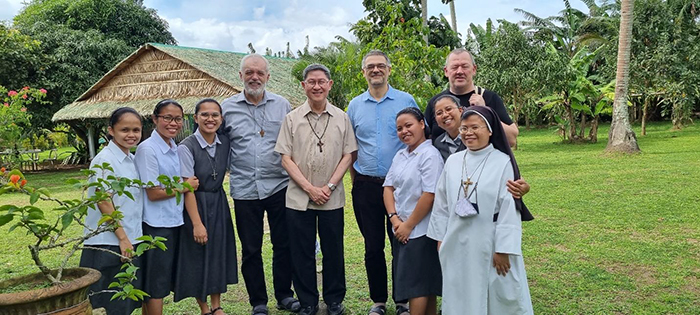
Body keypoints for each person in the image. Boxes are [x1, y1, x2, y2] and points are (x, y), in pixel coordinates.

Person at [427, 106, 534, 314]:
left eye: (475, 127)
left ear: (490, 130)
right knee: (459, 291)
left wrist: (503, 249)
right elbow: (442, 202)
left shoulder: (502, 162)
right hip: (457, 241)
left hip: (489, 242)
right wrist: (441, 238)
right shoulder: (453, 161)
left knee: (498, 295)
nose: (468, 133)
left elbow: (509, 208)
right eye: (464, 128)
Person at [275, 63, 357, 315]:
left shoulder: (342, 117)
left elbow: (348, 154)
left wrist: (330, 185)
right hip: (299, 197)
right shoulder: (291, 119)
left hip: (332, 197)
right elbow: (285, 158)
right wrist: (310, 188)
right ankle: (308, 301)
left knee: (334, 249)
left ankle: (334, 300)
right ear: (303, 86)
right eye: (311, 82)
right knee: (301, 251)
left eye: (322, 81)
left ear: (329, 85)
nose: (317, 86)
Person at [221, 53, 300, 315]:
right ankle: (258, 302)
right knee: (251, 248)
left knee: (284, 244)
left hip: (279, 186)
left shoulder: (282, 105)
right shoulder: (226, 108)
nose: (255, 77)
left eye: (260, 73)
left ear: (268, 76)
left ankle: (284, 296)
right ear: (240, 75)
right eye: (249, 72)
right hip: (244, 188)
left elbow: (293, 142)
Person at [346, 49, 417, 315]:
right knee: (372, 246)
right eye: (370, 67)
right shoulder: (354, 106)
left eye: (380, 66)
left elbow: (417, 138)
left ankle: (402, 300)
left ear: (389, 69)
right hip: (365, 186)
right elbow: (351, 147)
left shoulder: (405, 100)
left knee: (401, 242)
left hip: (400, 187)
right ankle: (378, 301)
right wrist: (356, 181)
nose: (375, 70)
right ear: (363, 72)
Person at [173, 99, 237, 315]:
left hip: (218, 202)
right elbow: (188, 188)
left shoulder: (224, 142)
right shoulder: (186, 147)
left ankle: (217, 305)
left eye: (215, 115)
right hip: (195, 203)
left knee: (218, 252)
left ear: (221, 118)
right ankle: (203, 307)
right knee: (197, 254)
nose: (210, 119)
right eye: (205, 115)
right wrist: (197, 223)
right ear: (196, 118)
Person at [135, 99, 199, 315]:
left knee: (160, 281)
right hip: (156, 225)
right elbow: (153, 193)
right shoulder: (148, 149)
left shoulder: (173, 147)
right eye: (167, 118)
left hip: (173, 221)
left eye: (178, 119)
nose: (173, 123)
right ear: (155, 119)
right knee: (156, 284)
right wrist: (185, 186)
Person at [79, 107, 144, 315]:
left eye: (136, 130)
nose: (131, 135)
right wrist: (123, 238)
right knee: (106, 305)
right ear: (111, 131)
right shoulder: (104, 160)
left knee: (123, 303)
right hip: (108, 242)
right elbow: (104, 201)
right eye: (125, 130)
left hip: (128, 240)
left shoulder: (131, 159)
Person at [383, 108, 443, 315]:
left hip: (420, 230)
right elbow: (388, 188)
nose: (404, 131)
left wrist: (408, 226)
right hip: (400, 227)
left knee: (418, 285)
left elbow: (430, 194)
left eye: (408, 125)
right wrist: (394, 219)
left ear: (422, 124)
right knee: (421, 282)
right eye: (399, 128)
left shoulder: (430, 155)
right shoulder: (401, 155)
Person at [424, 48, 519, 147]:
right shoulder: (436, 103)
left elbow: (511, 140)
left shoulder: (489, 98)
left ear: (474, 69)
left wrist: (485, 111)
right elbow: (424, 141)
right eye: (454, 67)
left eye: (465, 66)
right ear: (446, 71)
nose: (459, 71)